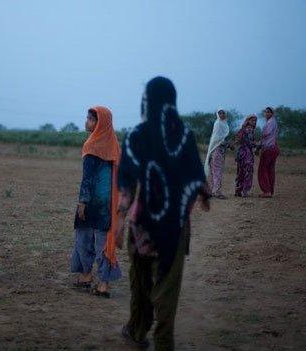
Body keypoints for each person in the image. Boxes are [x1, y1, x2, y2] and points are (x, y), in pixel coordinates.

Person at [116, 76, 210, 350]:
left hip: (141, 225)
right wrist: (203, 196)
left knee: (140, 282)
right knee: (167, 288)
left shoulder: (136, 134)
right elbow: (197, 178)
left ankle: (136, 331)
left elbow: (127, 184)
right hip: (173, 229)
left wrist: (120, 222)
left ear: (147, 100)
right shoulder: (184, 136)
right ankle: (163, 341)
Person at [70, 106, 122, 298]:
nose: (87, 122)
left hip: (91, 202)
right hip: (107, 204)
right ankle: (102, 283)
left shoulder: (91, 146)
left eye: (91, 119)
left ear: (100, 124)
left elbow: (88, 178)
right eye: (87, 118)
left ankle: (86, 276)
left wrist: (82, 202)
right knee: (103, 242)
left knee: (83, 239)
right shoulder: (114, 145)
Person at [204, 109, 230, 199]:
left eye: (223, 113)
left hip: (218, 151)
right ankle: (217, 192)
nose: (222, 114)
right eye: (220, 113)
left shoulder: (224, 124)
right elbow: (218, 139)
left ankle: (212, 190)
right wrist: (228, 144)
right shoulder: (218, 124)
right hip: (216, 151)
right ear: (217, 114)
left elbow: (221, 139)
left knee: (214, 171)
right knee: (217, 172)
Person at [257, 107, 280, 198]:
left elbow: (265, 136)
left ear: (272, 113)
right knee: (270, 170)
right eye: (266, 112)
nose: (267, 113)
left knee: (263, 170)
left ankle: (267, 191)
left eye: (269, 112)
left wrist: (258, 146)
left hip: (268, 149)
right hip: (273, 148)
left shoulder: (270, 123)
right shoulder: (273, 122)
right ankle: (270, 190)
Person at [234, 114, 257, 197]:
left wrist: (255, 145)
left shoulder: (252, 131)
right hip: (243, 153)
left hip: (248, 154)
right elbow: (239, 139)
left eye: (255, 121)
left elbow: (252, 142)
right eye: (252, 120)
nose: (254, 122)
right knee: (242, 172)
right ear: (248, 121)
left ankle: (244, 190)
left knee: (247, 171)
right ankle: (240, 190)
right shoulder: (243, 130)